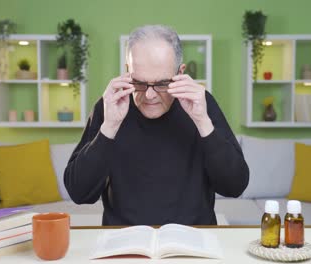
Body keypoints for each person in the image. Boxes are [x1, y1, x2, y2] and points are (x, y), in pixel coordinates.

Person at [64, 25, 249, 226]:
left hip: (193, 239)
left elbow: (235, 186)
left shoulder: (201, 103)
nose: (150, 95)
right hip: (124, 239)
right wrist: (109, 128)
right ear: (128, 71)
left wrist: (203, 123)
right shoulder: (110, 105)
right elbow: (79, 192)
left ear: (180, 72)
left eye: (162, 84)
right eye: (139, 83)